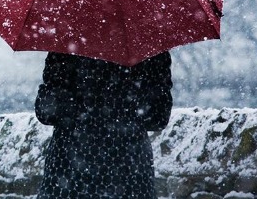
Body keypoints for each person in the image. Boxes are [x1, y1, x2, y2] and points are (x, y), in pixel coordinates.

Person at [34, 51, 172, 199]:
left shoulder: (66, 43)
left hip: (69, 171)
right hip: (130, 171)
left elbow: (47, 113)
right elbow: (158, 118)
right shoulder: (147, 45)